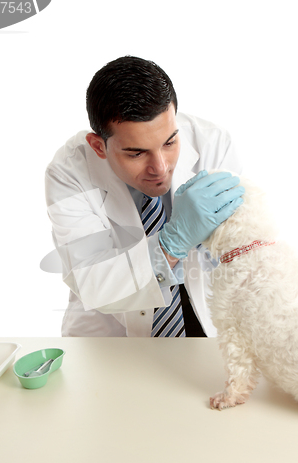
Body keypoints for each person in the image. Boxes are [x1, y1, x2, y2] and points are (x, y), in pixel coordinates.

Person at [45, 56, 244, 338]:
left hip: (206, 320)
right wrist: (171, 243)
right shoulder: (69, 173)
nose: (160, 168)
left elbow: (245, 251)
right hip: (112, 334)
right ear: (98, 146)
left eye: (170, 142)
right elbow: (93, 282)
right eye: (136, 153)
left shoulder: (212, 143)